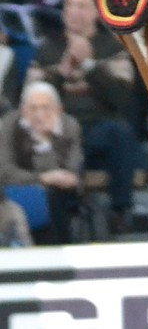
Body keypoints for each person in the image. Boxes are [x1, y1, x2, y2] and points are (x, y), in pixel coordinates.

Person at [27, 0, 137, 235]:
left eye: (81, 6)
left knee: (120, 133)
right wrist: (59, 74)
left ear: (97, 12)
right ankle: (59, 223)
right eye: (69, 5)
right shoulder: (48, 49)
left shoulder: (112, 47)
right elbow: (30, 98)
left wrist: (89, 66)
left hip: (97, 130)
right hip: (59, 133)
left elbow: (122, 99)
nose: (74, 12)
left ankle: (121, 213)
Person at [0, 80, 82, 243]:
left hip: (61, 192)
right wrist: (43, 178)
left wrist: (46, 141)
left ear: (59, 109)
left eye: (46, 108)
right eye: (33, 108)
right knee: (44, 196)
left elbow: (73, 170)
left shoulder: (69, 126)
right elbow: (4, 171)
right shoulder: (9, 125)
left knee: (54, 197)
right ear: (23, 111)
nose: (39, 115)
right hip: (19, 187)